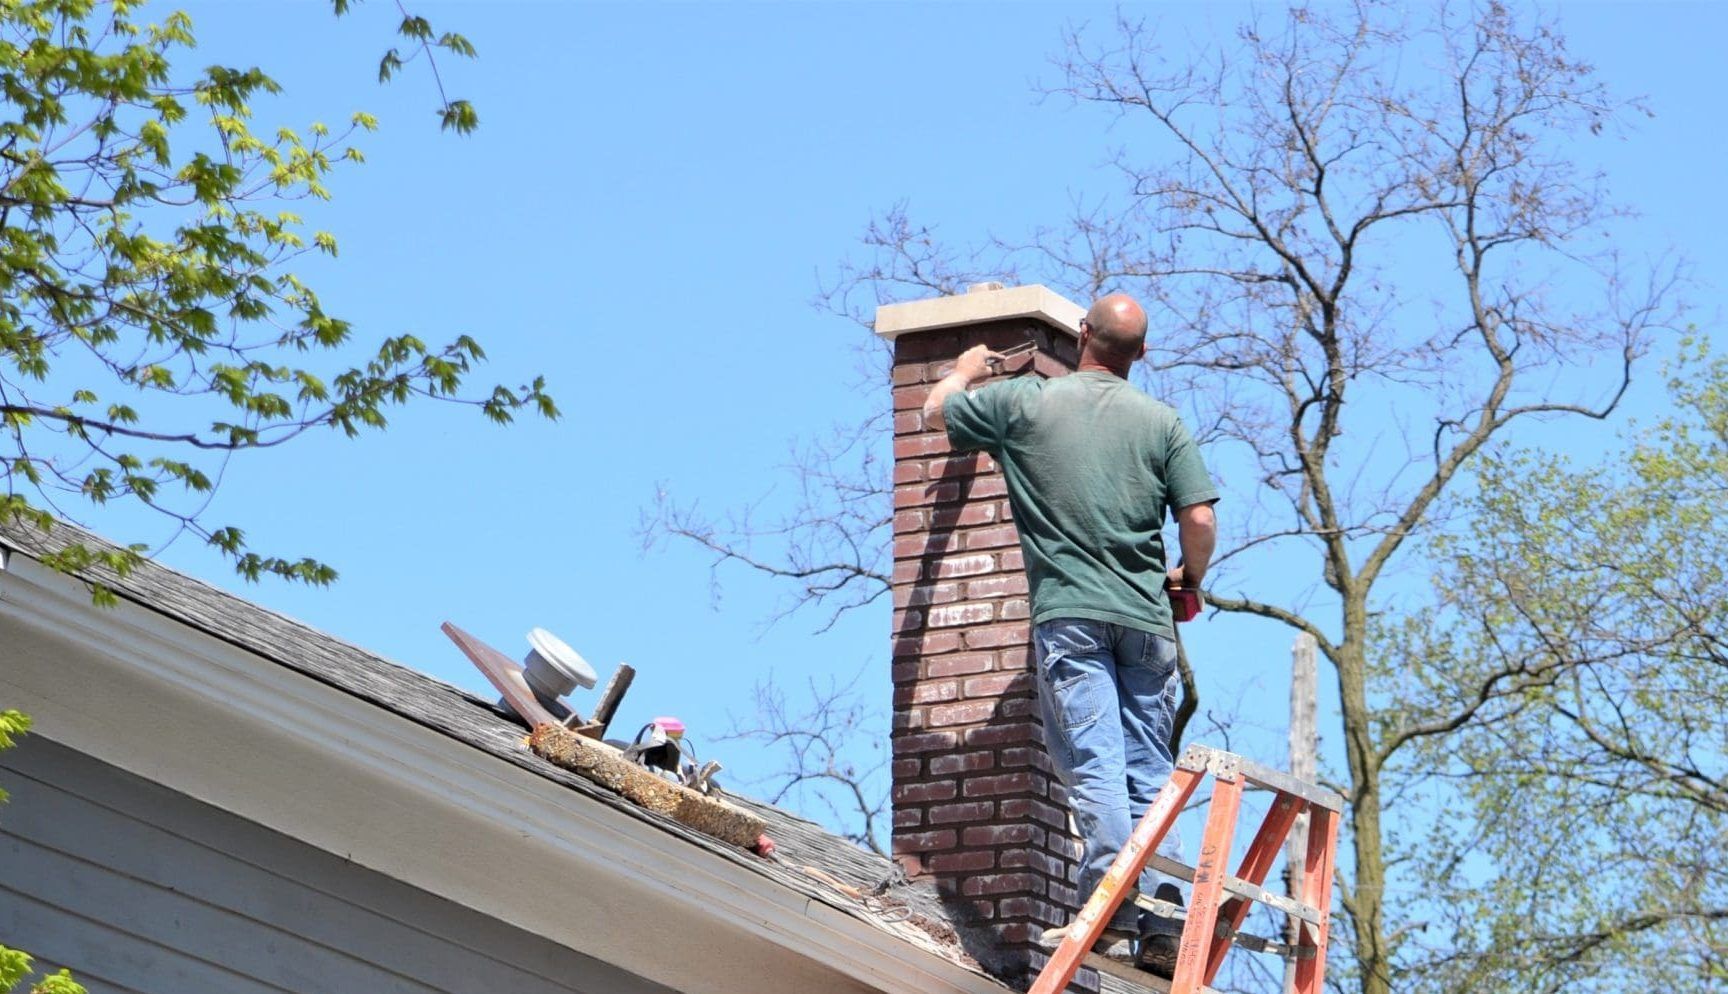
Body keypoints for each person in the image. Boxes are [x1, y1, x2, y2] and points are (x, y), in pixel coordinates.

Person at [922, 292, 1219, 977]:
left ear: (1084, 335)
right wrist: (1188, 579)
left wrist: (966, 369)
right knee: (1150, 775)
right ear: (1141, 353)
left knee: (1096, 769)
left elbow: (934, 411)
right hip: (1148, 623)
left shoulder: (1027, 402)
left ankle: (1111, 916)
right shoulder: (1161, 422)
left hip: (1074, 619)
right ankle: (1165, 923)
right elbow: (1199, 521)